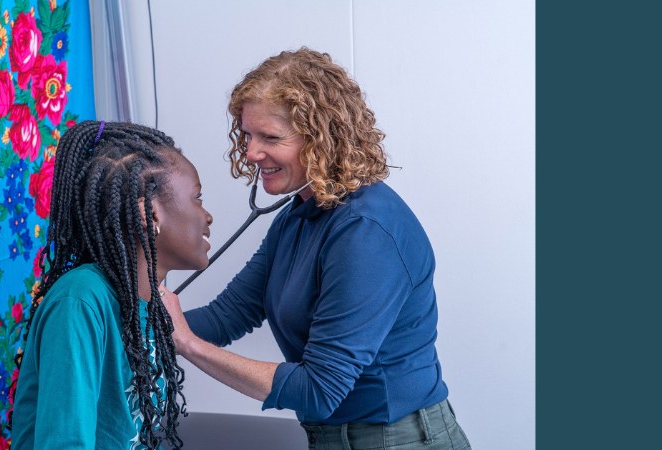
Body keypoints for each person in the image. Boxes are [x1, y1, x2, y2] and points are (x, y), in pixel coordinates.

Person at [160, 48, 472, 449]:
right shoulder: (297, 216)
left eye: (270, 138)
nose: (252, 153)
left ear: (322, 140)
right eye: (248, 135)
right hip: (334, 438)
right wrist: (134, 327)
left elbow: (319, 390)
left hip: (397, 440)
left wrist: (185, 343)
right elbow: (228, 315)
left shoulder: (365, 232)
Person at [11, 121, 214, 450]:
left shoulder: (146, 305)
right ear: (149, 214)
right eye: (197, 197)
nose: (207, 216)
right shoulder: (79, 301)